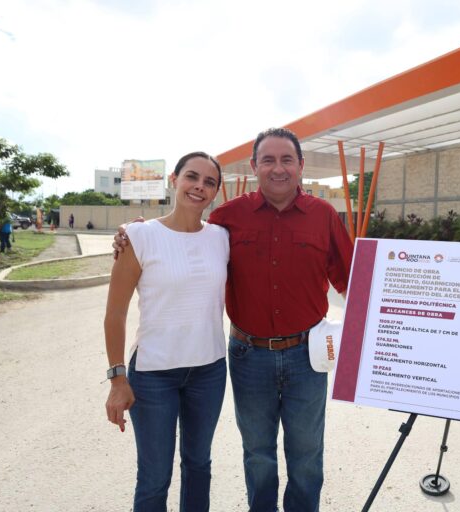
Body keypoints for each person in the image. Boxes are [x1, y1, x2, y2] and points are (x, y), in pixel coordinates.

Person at [115, 128, 353, 511]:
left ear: (301, 166)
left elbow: (352, 280)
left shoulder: (323, 216)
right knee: (258, 455)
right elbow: (184, 232)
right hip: (249, 356)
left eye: (287, 159)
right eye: (268, 160)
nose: (278, 168)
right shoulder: (227, 218)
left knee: (307, 455)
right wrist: (135, 234)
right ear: (255, 166)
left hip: (306, 357)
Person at [105, 151, 229, 511]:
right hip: (153, 375)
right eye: (192, 177)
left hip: (209, 370)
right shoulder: (138, 236)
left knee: (199, 465)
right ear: (174, 180)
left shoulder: (222, 237)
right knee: (155, 476)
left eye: (209, 182)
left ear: (216, 192)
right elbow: (115, 313)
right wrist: (117, 379)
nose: (199, 186)